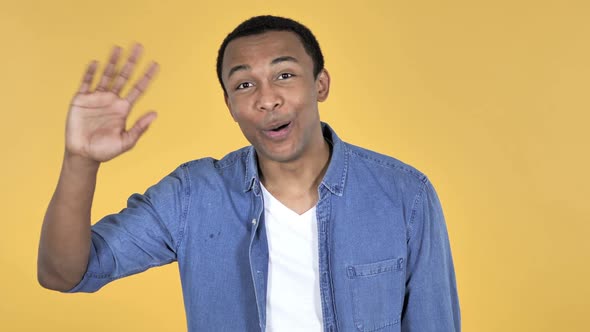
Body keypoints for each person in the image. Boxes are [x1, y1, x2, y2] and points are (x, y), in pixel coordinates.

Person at [37, 15, 460, 332]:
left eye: (285, 75)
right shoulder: (192, 196)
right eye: (244, 85)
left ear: (320, 84)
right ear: (228, 104)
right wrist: (81, 161)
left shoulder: (405, 194)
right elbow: (64, 273)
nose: (267, 99)